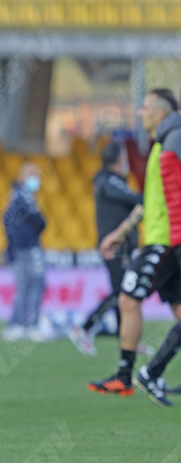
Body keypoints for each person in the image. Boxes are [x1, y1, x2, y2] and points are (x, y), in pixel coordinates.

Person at [90, 89, 181, 404]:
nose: (139, 112)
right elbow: (150, 204)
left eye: (144, 107)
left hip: (166, 242)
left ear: (159, 114)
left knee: (128, 297)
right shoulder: (160, 147)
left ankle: (128, 376)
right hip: (162, 238)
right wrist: (121, 231)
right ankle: (138, 375)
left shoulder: (173, 142)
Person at [68, 142, 142, 356]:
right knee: (122, 291)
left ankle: (126, 339)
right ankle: (85, 328)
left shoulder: (109, 181)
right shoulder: (109, 181)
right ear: (119, 159)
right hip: (115, 246)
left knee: (123, 292)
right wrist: (151, 200)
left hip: (121, 245)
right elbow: (132, 199)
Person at [1, 162, 48, 341]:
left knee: (25, 285)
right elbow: (40, 220)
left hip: (19, 248)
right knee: (35, 284)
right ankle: (30, 325)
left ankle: (18, 324)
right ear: (22, 177)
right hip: (28, 248)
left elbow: (6, 220)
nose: (37, 179)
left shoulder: (14, 195)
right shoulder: (24, 196)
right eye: (33, 174)